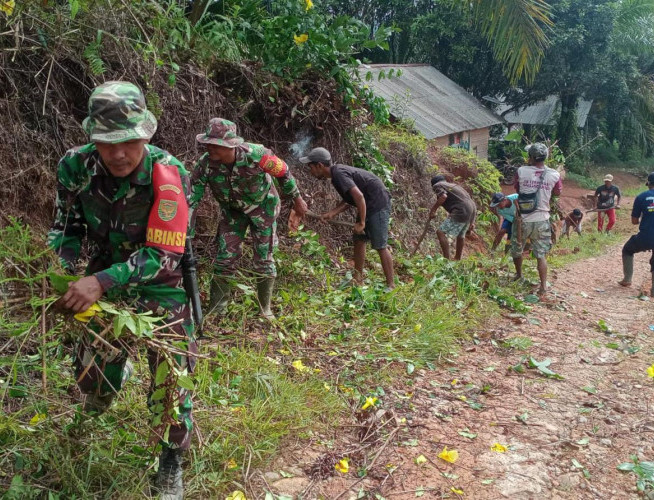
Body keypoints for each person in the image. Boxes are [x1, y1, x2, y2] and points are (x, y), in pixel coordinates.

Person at [47, 81, 195, 499]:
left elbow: (165, 253)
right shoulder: (74, 166)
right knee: (91, 376)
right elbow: (66, 228)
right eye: (106, 142)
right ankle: (109, 380)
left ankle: (170, 461)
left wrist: (100, 281)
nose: (117, 154)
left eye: (128, 141)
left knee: (172, 377)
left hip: (159, 284)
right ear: (92, 136)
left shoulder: (169, 174)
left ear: (145, 134)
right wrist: (60, 272)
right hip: (100, 277)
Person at [190, 118, 308, 319]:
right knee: (224, 259)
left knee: (263, 259)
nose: (209, 148)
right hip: (233, 212)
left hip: (263, 209)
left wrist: (297, 199)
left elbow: (283, 172)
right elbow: (192, 196)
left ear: (230, 145)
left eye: (214, 144)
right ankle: (217, 309)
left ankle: (265, 309)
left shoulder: (257, 155)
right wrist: (185, 227)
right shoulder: (206, 164)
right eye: (207, 143)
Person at [300, 147, 394, 289]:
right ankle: (358, 278)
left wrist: (362, 222)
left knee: (380, 245)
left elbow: (359, 196)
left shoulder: (338, 174)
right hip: (368, 203)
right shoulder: (335, 175)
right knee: (359, 239)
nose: (311, 172)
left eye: (311, 167)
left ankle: (391, 285)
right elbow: (350, 199)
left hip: (377, 202)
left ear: (319, 165)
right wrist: (332, 213)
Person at [511, 143, 563, 296]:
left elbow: (517, 189)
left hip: (523, 219)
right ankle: (543, 287)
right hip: (542, 219)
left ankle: (519, 275)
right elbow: (557, 193)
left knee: (517, 249)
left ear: (531, 157)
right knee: (541, 255)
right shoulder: (554, 174)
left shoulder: (521, 171)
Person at [428, 175, 477, 260]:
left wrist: (433, 210)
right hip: (471, 209)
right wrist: (472, 221)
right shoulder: (454, 186)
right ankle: (457, 259)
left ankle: (446, 259)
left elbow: (443, 197)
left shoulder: (437, 185)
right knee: (461, 235)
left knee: (440, 232)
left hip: (461, 209)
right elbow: (471, 202)